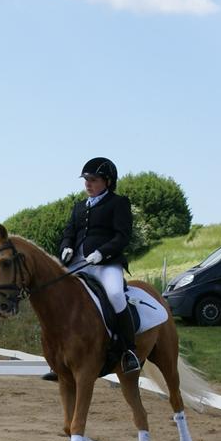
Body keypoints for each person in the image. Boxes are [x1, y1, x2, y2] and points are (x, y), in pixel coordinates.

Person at [55, 157, 141, 374]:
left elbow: (122, 236)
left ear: (108, 182)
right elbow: (69, 233)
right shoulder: (78, 207)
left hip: (106, 263)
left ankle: (128, 351)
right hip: (77, 263)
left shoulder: (118, 203)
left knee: (115, 294)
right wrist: (66, 247)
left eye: (93, 180)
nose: (88, 184)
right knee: (55, 295)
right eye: (86, 180)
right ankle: (58, 354)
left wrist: (102, 252)